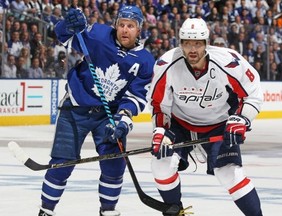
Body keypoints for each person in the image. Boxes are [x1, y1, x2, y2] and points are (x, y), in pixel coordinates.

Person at [38, 6, 155, 216]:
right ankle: (46, 210)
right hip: (75, 108)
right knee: (62, 164)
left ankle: (107, 211)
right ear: (115, 25)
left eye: (130, 26)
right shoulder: (98, 35)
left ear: (139, 30)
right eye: (121, 25)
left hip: (108, 116)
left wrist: (123, 119)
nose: (125, 30)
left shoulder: (145, 60)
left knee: (114, 167)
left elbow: (136, 95)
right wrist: (68, 24)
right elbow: (63, 35)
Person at [147, 18, 263, 216]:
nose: (193, 49)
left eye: (198, 43)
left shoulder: (228, 62)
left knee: (229, 174)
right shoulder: (166, 64)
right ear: (180, 43)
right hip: (180, 124)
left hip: (219, 124)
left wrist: (242, 119)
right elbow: (160, 104)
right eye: (187, 43)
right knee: (161, 164)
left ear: (206, 44)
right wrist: (161, 131)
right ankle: (176, 212)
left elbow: (252, 93)